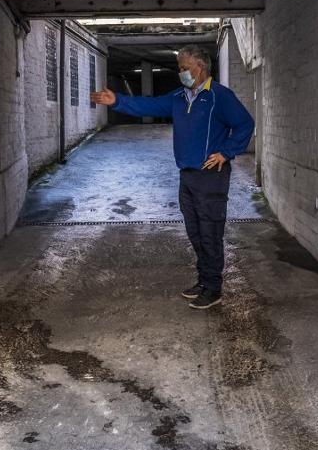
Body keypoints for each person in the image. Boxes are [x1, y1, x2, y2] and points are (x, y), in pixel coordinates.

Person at [89, 45, 254, 309]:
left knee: (210, 231)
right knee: (195, 231)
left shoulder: (219, 96)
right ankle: (204, 279)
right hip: (186, 174)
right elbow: (150, 104)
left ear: (199, 67)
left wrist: (226, 152)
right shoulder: (179, 97)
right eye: (179, 68)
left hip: (211, 176)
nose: (181, 73)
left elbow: (245, 123)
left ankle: (213, 287)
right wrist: (117, 101)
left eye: (184, 68)